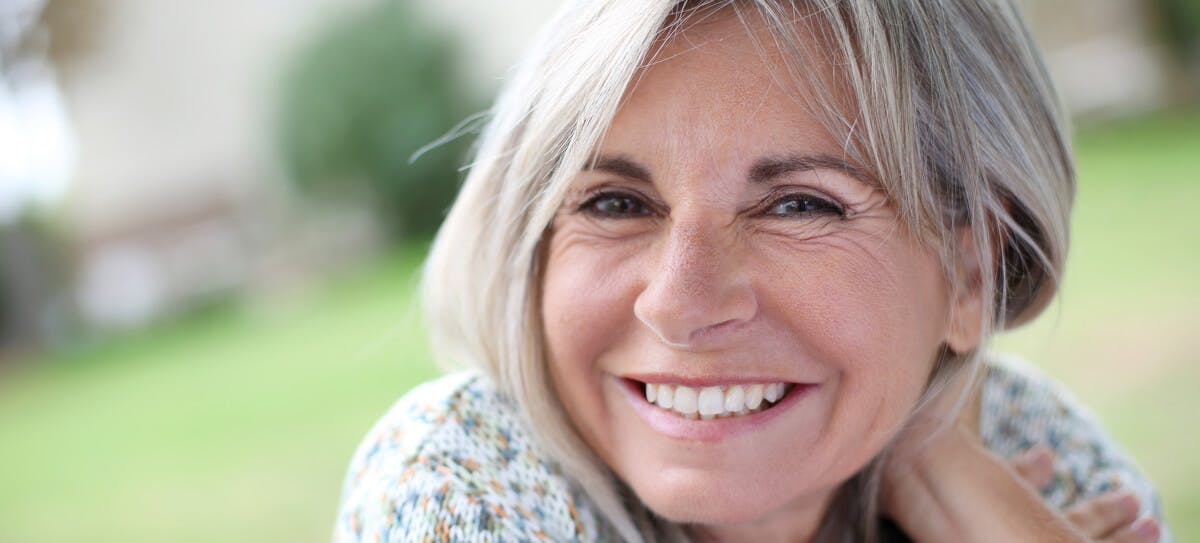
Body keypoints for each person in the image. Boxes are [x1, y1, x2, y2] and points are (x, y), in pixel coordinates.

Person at [333, 1, 1172, 541]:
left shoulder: (1024, 443)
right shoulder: (460, 470)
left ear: (969, 275)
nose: (679, 304)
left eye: (801, 205)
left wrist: (938, 471)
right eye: (617, 203)